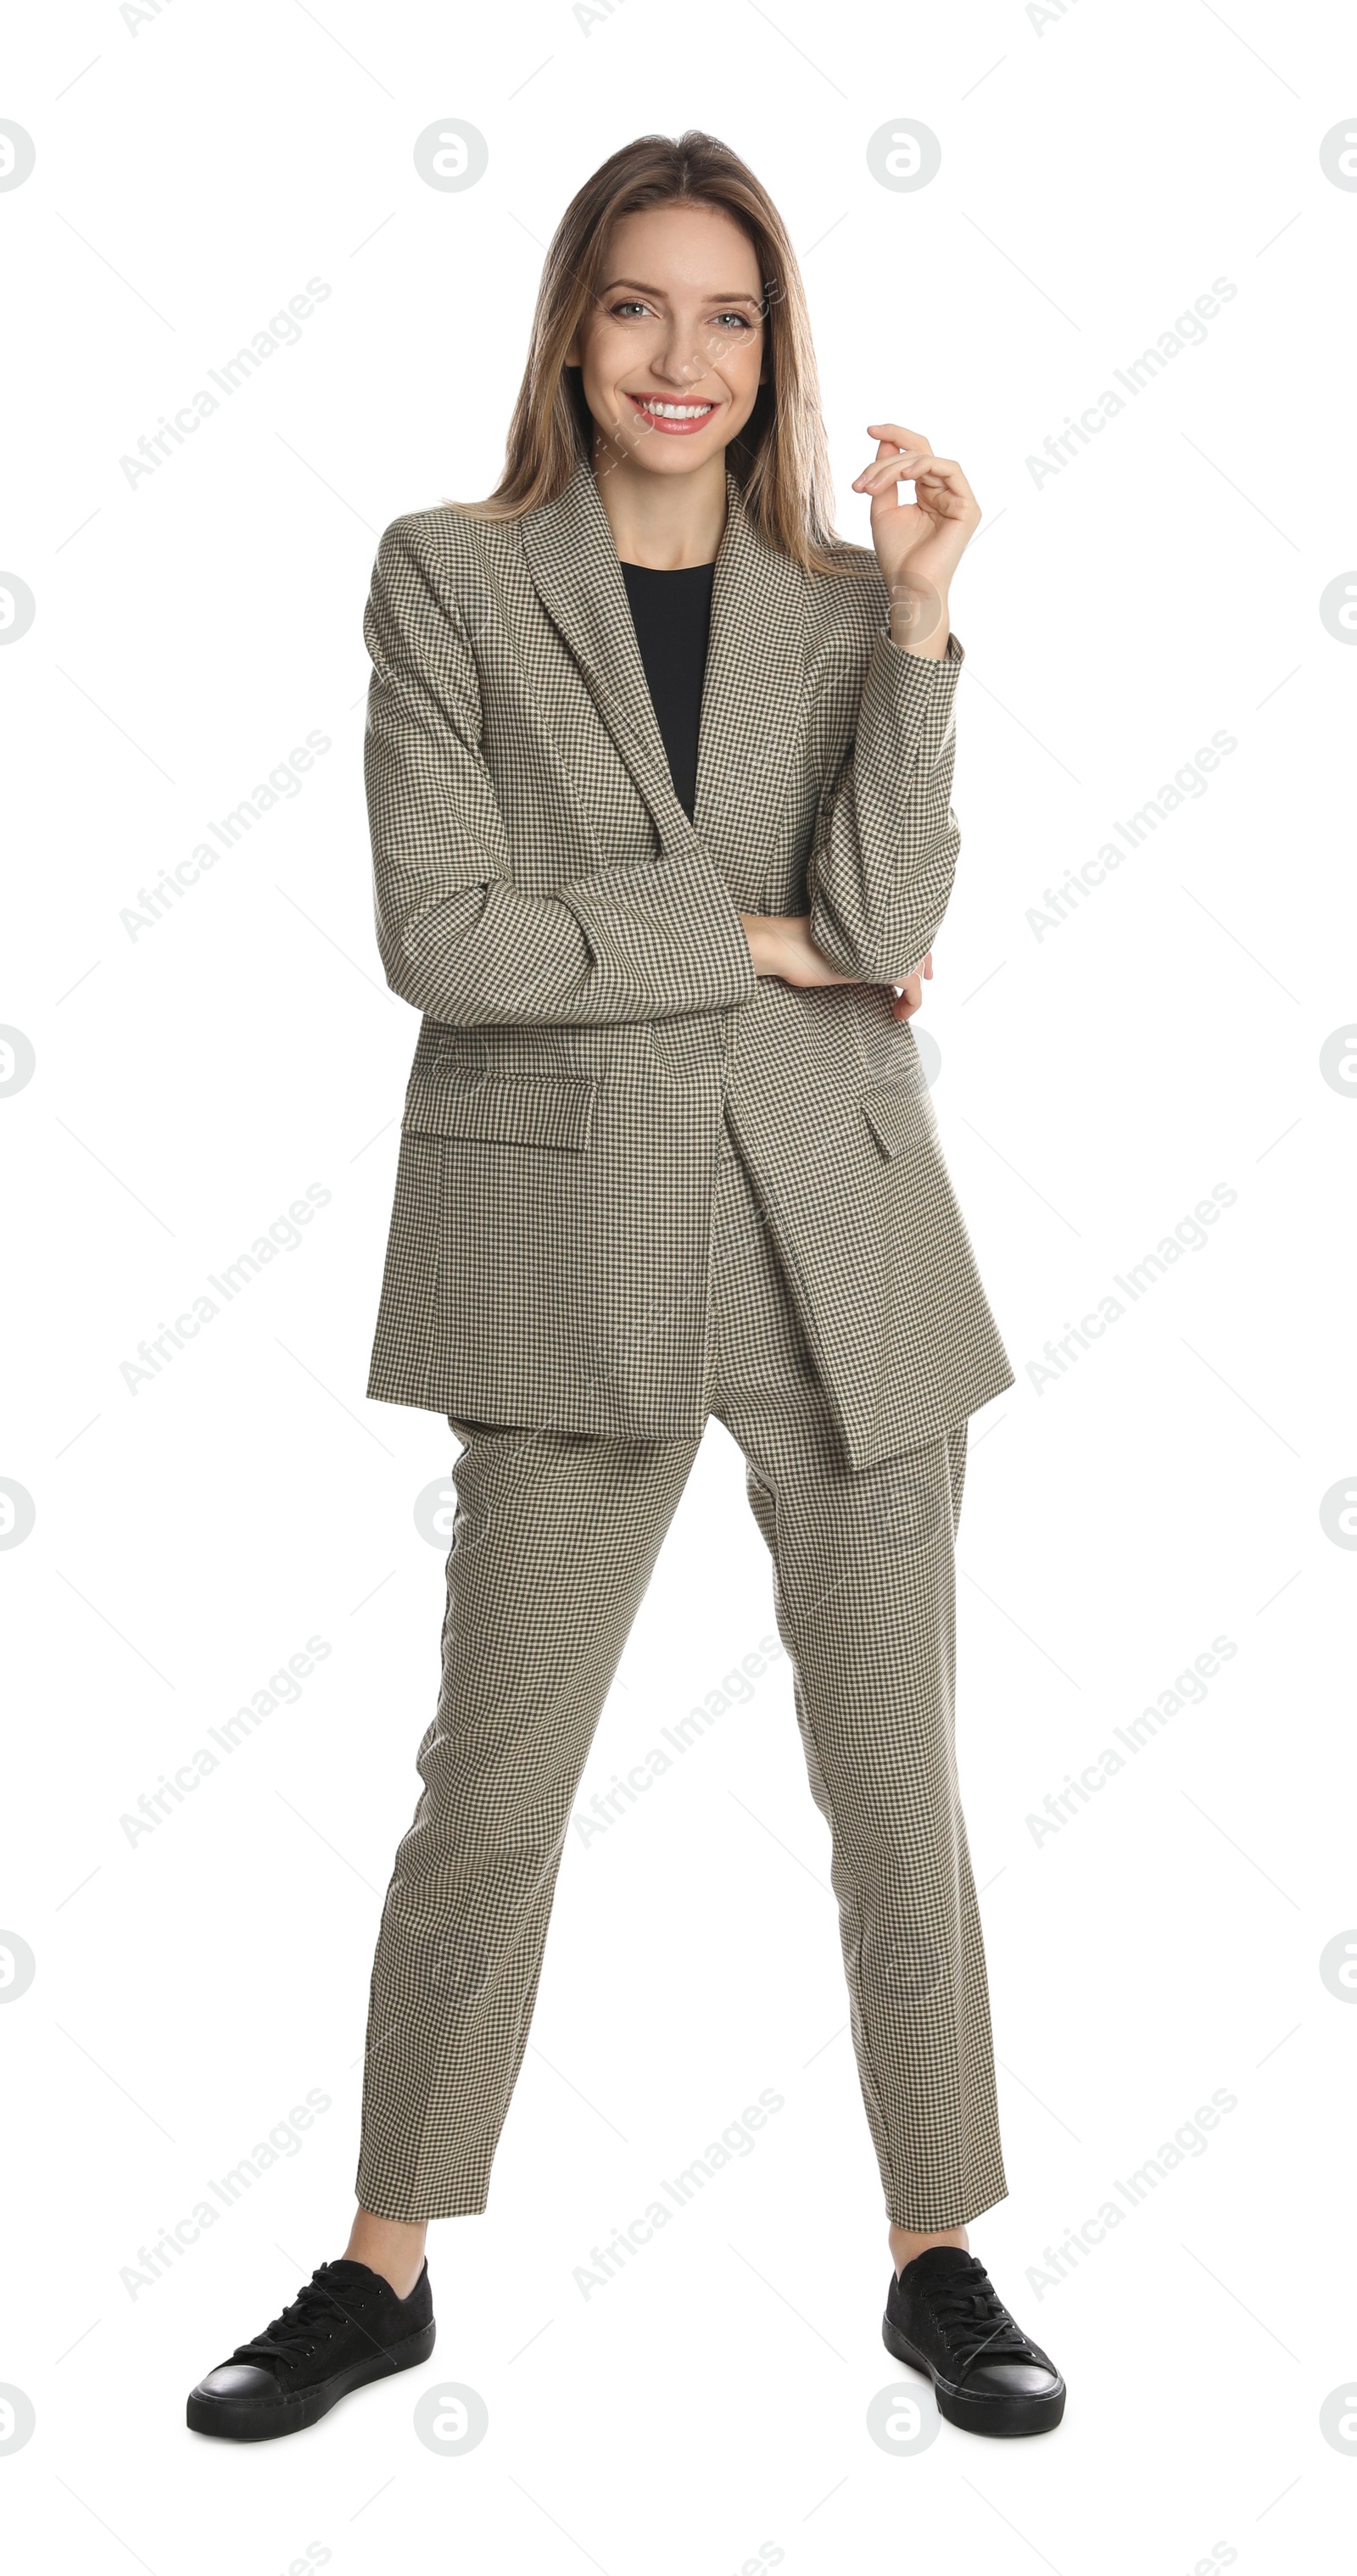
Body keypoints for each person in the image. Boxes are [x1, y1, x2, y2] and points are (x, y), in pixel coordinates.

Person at [187, 128, 1065, 2445]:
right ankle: (386, 2265)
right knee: (491, 1780)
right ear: (574, 328)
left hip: (837, 1238)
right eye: (644, 306)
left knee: (901, 1782)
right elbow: (434, 935)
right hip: (565, 1237)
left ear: (774, 353)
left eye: (734, 315)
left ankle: (939, 2250)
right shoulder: (453, 582)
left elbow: (880, 919)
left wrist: (918, 621)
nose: (686, 357)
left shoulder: (823, 601)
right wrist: (748, 940)